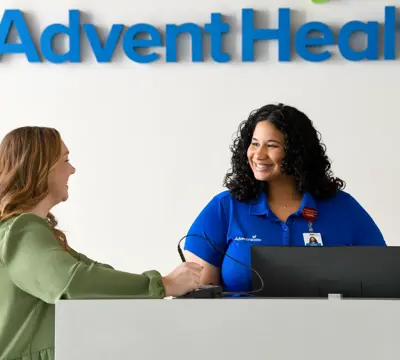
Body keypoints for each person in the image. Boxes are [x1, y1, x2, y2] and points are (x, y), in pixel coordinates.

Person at [0, 126, 202, 360]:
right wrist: (163, 284)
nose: (72, 170)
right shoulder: (20, 231)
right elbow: (71, 282)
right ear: (40, 168)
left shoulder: (30, 231)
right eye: (65, 160)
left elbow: (93, 274)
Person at [184, 103, 386, 294]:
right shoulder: (225, 207)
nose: (258, 154)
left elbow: (382, 278)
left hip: (328, 328)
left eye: (271, 146)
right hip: (240, 328)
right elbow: (201, 296)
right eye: (254, 144)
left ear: (297, 153)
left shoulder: (344, 208)